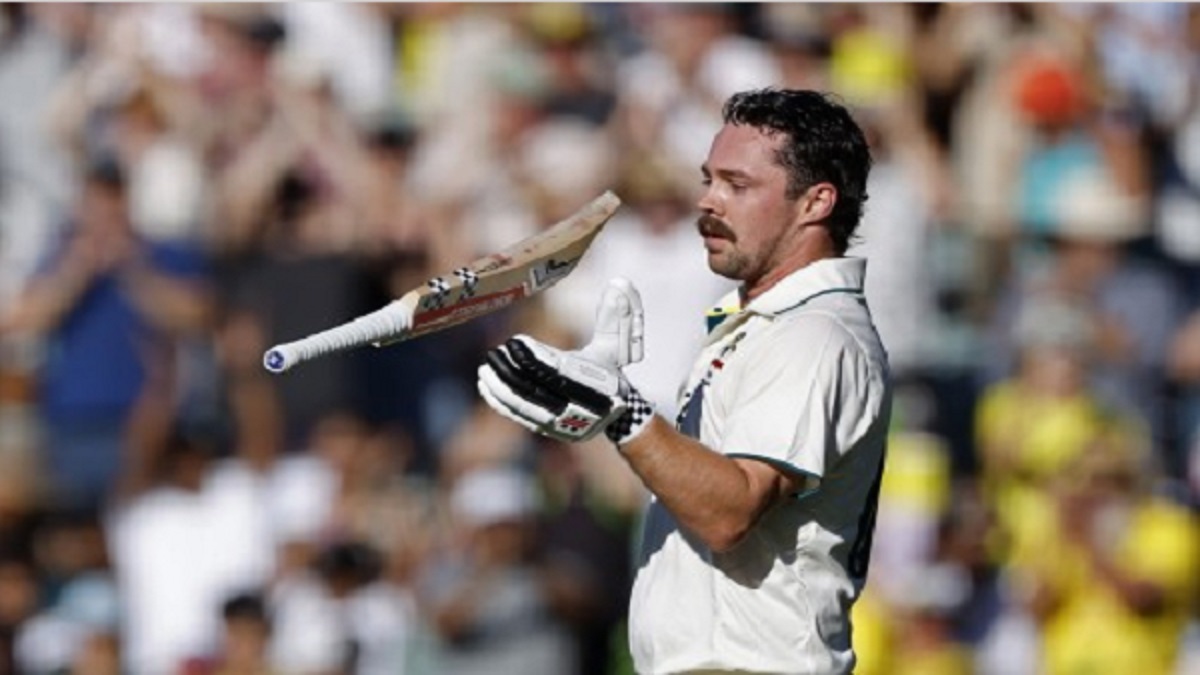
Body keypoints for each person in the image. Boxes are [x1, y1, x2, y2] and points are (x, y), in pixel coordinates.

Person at [477, 88, 891, 674]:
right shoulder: (764, 324)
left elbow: (730, 512)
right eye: (708, 180)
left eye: (736, 185)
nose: (707, 201)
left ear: (815, 202)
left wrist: (623, 414)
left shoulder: (812, 334)